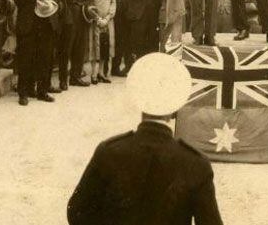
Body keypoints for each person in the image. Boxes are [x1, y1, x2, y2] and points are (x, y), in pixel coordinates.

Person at [67, 52, 223, 225]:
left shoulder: (109, 151)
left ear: (138, 101)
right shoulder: (195, 163)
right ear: (175, 109)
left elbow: (77, 213)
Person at [13, 0, 62, 105]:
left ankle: (42, 91)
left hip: (46, 23)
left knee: (45, 58)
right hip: (28, 24)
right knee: (26, 58)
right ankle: (24, 93)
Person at [63, 0, 94, 88]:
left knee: (80, 48)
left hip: (82, 17)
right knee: (67, 48)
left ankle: (75, 77)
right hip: (68, 17)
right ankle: (64, 79)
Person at [89, 0, 116, 84]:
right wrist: (97, 18)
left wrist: (107, 17)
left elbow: (113, 2)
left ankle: (103, 73)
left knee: (106, 46)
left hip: (107, 20)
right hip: (95, 20)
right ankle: (93, 74)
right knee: (95, 47)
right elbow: (89, 3)